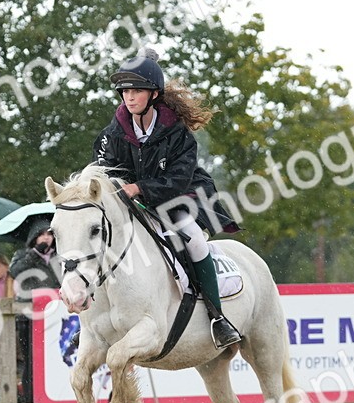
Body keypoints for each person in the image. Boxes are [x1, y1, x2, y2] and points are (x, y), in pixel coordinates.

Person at [92, 47, 243, 348]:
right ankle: (92, 324)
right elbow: (105, 165)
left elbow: (178, 177)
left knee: (195, 240)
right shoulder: (116, 129)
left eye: (136, 91)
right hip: (135, 199)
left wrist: (141, 188)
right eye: (125, 91)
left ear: (154, 94)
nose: (129, 97)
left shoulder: (176, 131)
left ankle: (217, 317)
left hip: (180, 193)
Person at [9, 220, 60, 402]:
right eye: (42, 234)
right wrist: (34, 254)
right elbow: (14, 271)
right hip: (28, 316)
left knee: (55, 358)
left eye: (49, 233)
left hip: (54, 316)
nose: (46, 238)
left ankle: (53, 398)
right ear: (34, 237)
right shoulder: (22, 255)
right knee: (31, 359)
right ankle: (31, 398)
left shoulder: (60, 257)